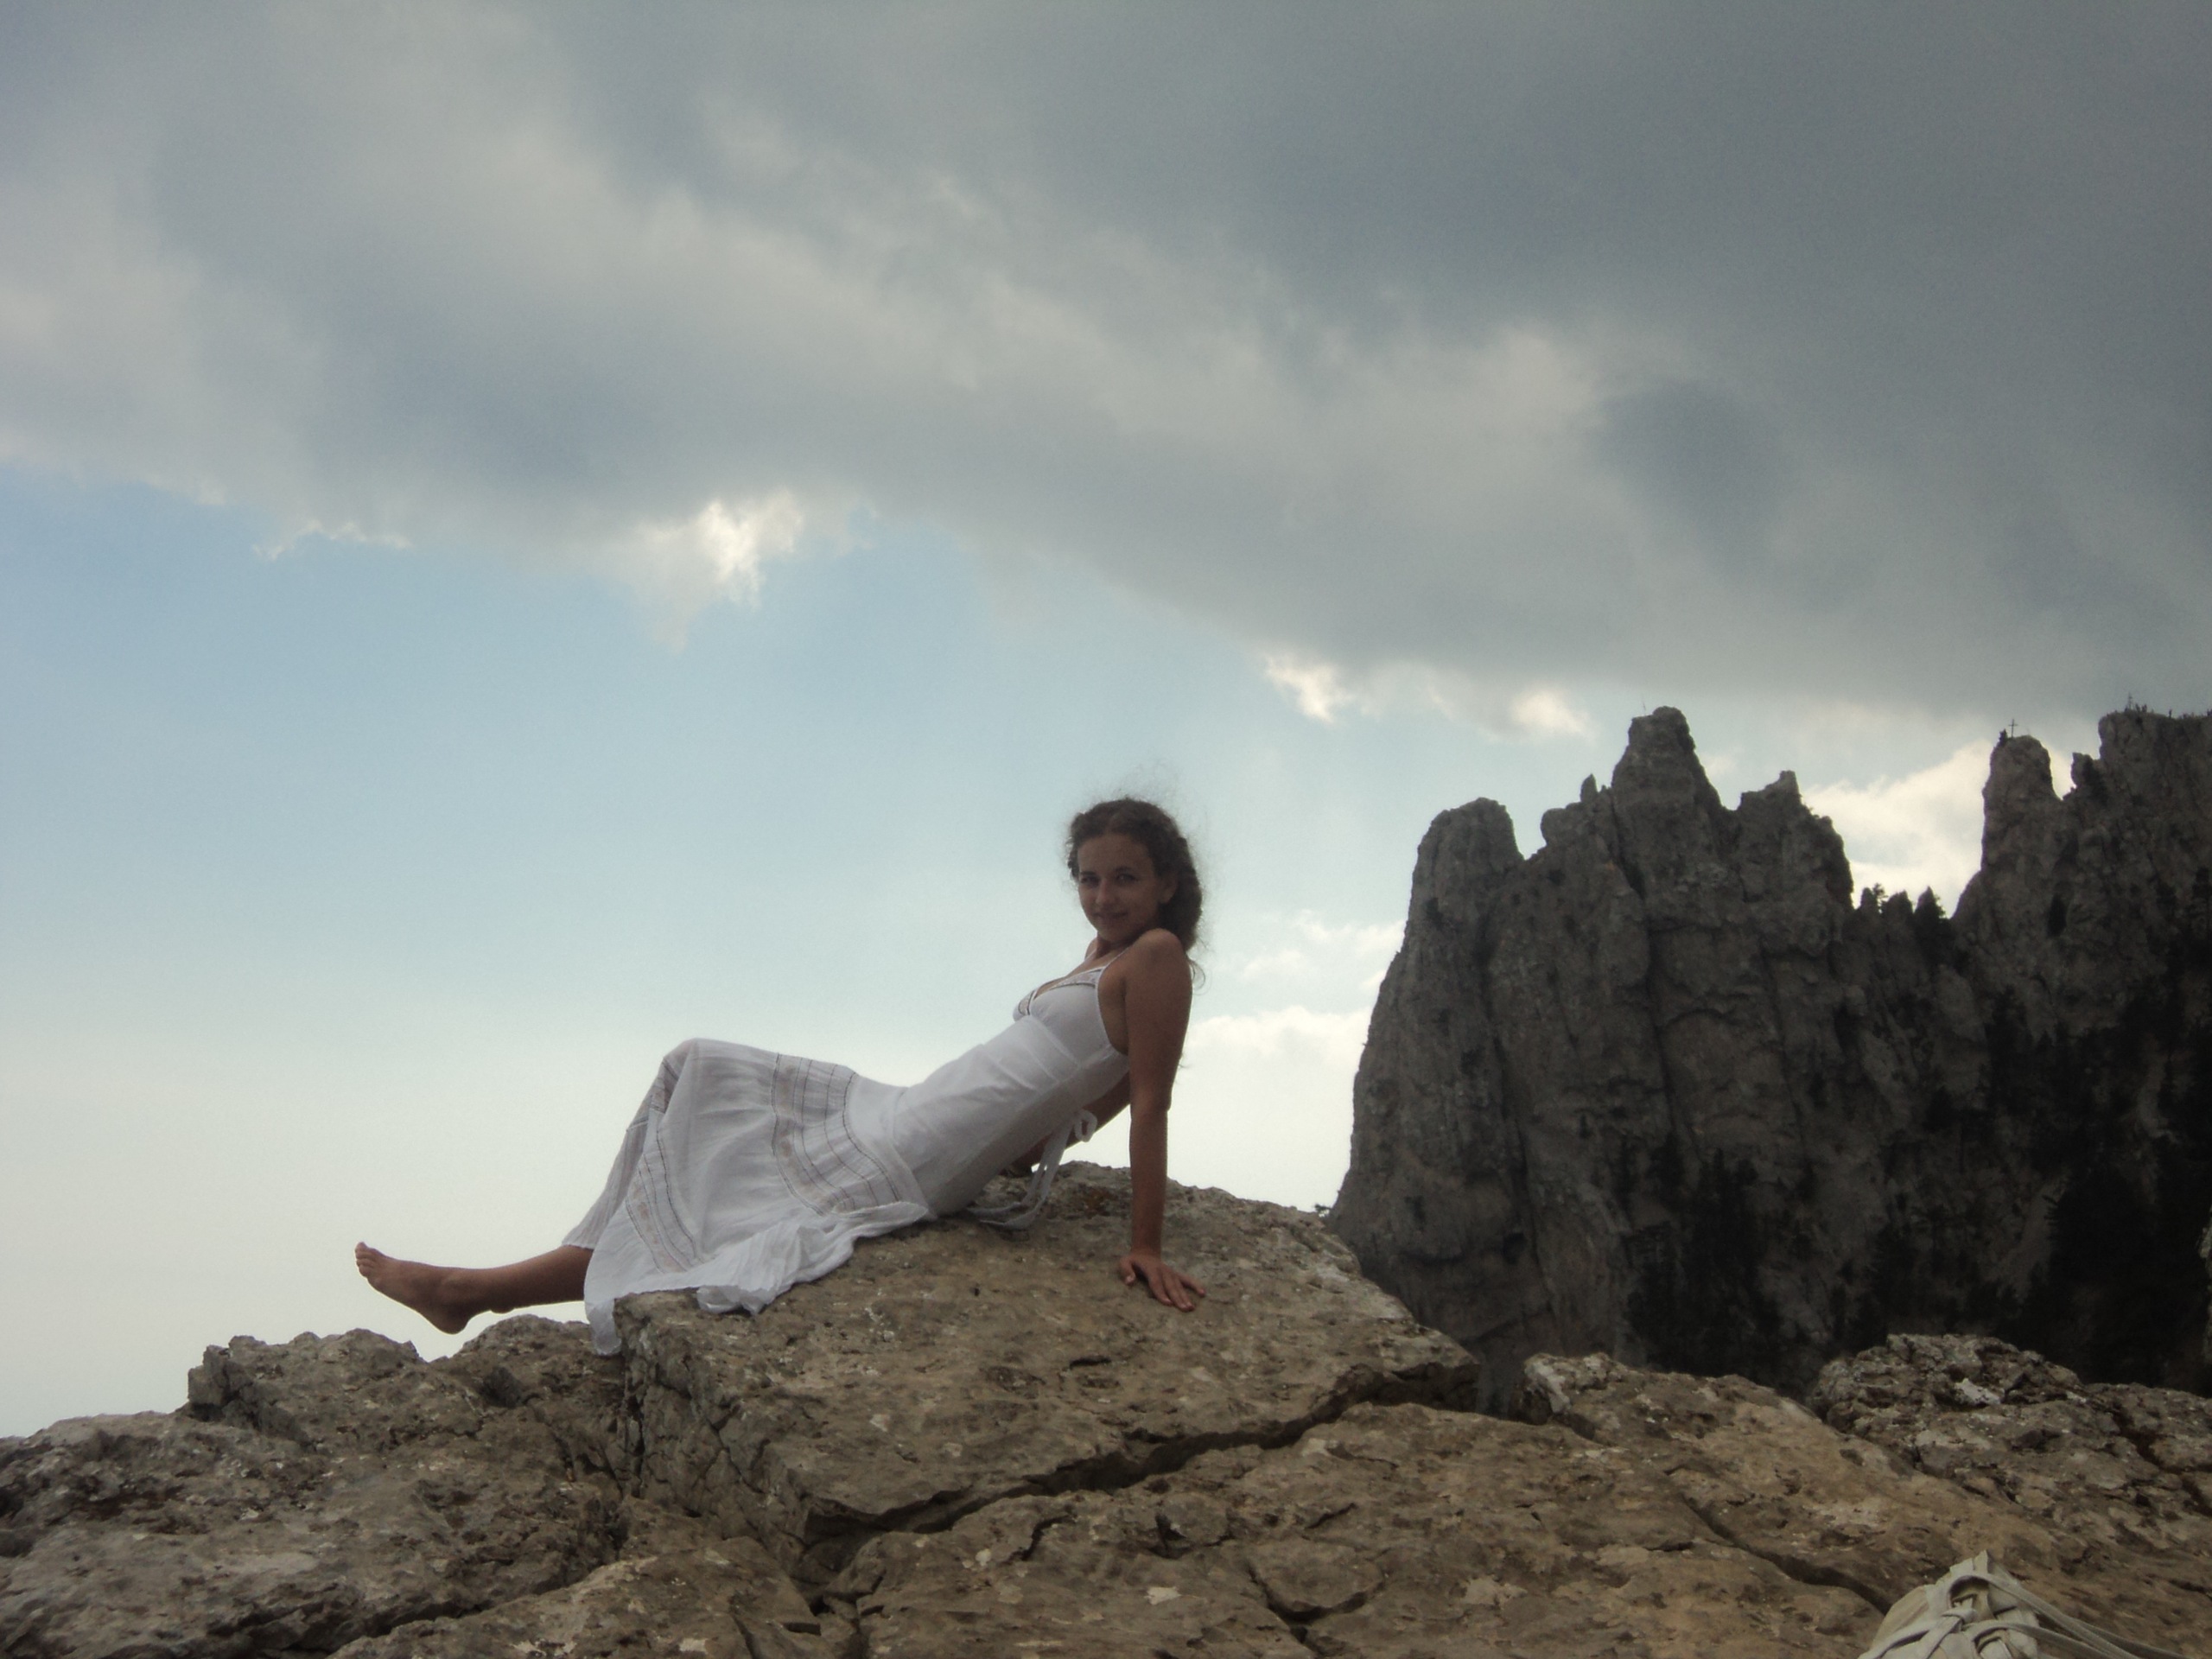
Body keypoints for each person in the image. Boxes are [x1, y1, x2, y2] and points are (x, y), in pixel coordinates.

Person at [357, 798, 1207, 1351]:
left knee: (721, 1200)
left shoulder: (1159, 957)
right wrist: (1026, 1149)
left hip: (920, 1147)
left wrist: (1145, 1245)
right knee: (697, 1068)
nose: (1104, 896)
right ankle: (479, 1286)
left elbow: (1149, 1104)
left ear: (1166, 883)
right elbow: (1081, 1096)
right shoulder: (1105, 954)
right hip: (913, 1107)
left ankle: (473, 1291)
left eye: (1125, 879)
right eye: (1089, 879)